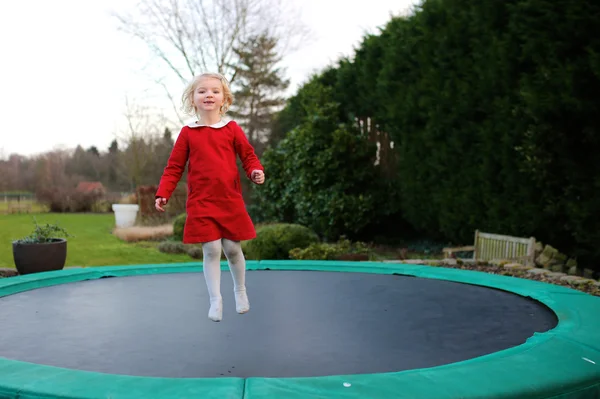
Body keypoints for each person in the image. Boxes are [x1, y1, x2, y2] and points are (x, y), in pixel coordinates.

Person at [154, 72, 265, 322]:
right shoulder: (188, 133)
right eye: (202, 91)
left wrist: (255, 171)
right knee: (212, 249)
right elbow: (174, 167)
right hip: (201, 201)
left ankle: (240, 290)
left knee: (233, 249)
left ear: (224, 98)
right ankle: (216, 299)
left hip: (229, 199)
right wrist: (163, 193)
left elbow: (248, 156)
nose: (208, 95)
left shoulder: (231, 129)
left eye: (215, 91)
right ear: (192, 98)